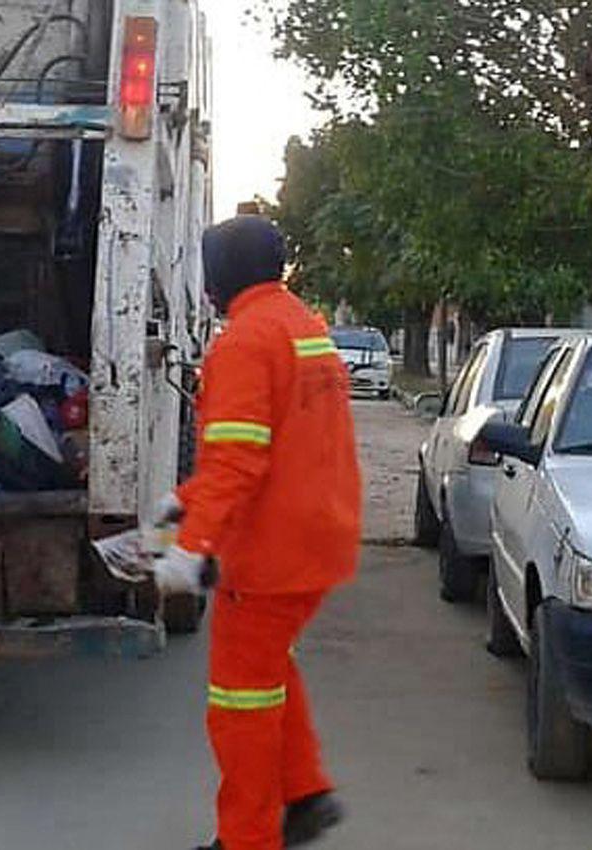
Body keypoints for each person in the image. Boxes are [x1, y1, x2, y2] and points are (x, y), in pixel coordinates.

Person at [150, 215, 361, 850]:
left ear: (219, 278)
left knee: (239, 702)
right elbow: (277, 446)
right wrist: (185, 503)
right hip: (318, 537)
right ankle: (305, 795)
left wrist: (188, 549)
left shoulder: (244, 343)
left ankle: (248, 838)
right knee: (272, 671)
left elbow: (238, 460)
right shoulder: (304, 327)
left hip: (272, 552)